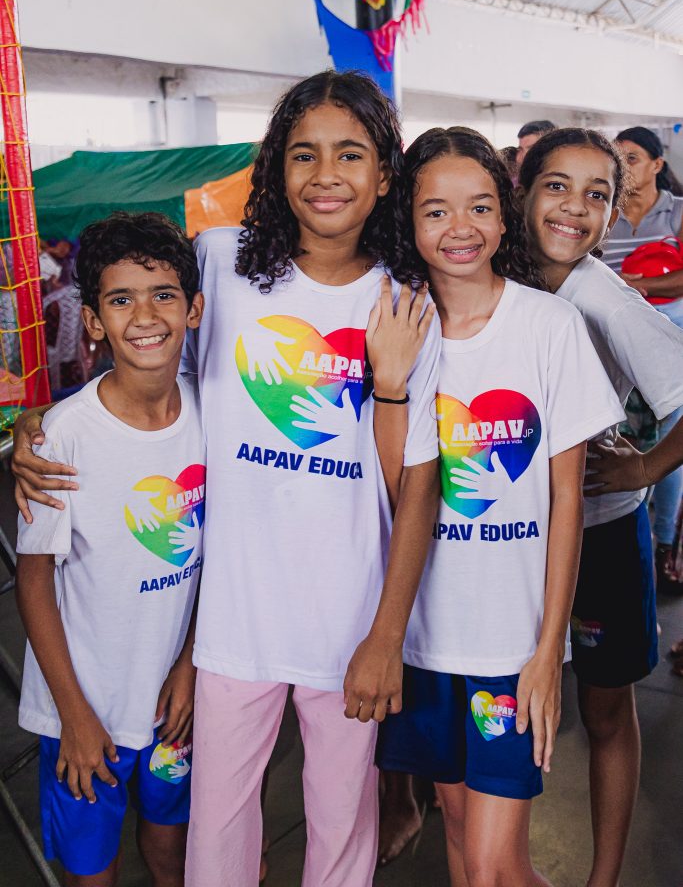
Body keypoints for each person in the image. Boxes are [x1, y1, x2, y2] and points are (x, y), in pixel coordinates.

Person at [13, 71, 442, 887]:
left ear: (386, 174)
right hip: (229, 621)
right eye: (303, 154)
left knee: (341, 829)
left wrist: (388, 635)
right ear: (275, 168)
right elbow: (149, 361)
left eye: (350, 154)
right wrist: (43, 421)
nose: (325, 175)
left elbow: (418, 484)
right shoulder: (221, 261)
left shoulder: (404, 298)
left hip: (349, 622)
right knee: (216, 835)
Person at [374, 126, 622, 887]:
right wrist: (390, 381)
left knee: (489, 864)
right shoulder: (398, 327)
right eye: (436, 211)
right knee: (462, 840)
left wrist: (547, 651)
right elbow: (398, 490)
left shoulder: (548, 327)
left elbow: (567, 502)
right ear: (408, 219)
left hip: (510, 648)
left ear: (504, 214)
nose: (461, 228)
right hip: (425, 645)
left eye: (479, 206)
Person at [15, 212, 206, 887]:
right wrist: (73, 715)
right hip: (83, 708)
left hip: (170, 704)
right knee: (91, 872)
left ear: (193, 309)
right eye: (121, 299)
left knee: (172, 854)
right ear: (93, 321)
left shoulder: (209, 412)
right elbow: (34, 582)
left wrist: (188, 665)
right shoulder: (65, 437)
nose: (145, 316)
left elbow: (218, 557)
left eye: (163, 295)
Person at [519, 127, 683, 887]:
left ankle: (604, 877)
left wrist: (644, 465)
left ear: (615, 214)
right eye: (556, 186)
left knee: (606, 709)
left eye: (596, 194)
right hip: (509, 538)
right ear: (523, 191)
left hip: (599, 537)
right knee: (501, 704)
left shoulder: (604, 300)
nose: (573, 208)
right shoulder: (490, 274)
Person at [608, 126, 683, 590]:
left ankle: (664, 542)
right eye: (619, 158)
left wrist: (637, 287)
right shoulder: (607, 212)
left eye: (632, 158)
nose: (625, 167)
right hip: (616, 337)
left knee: (669, 435)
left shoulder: (676, 212)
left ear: (657, 164)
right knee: (621, 438)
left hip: (670, 331)